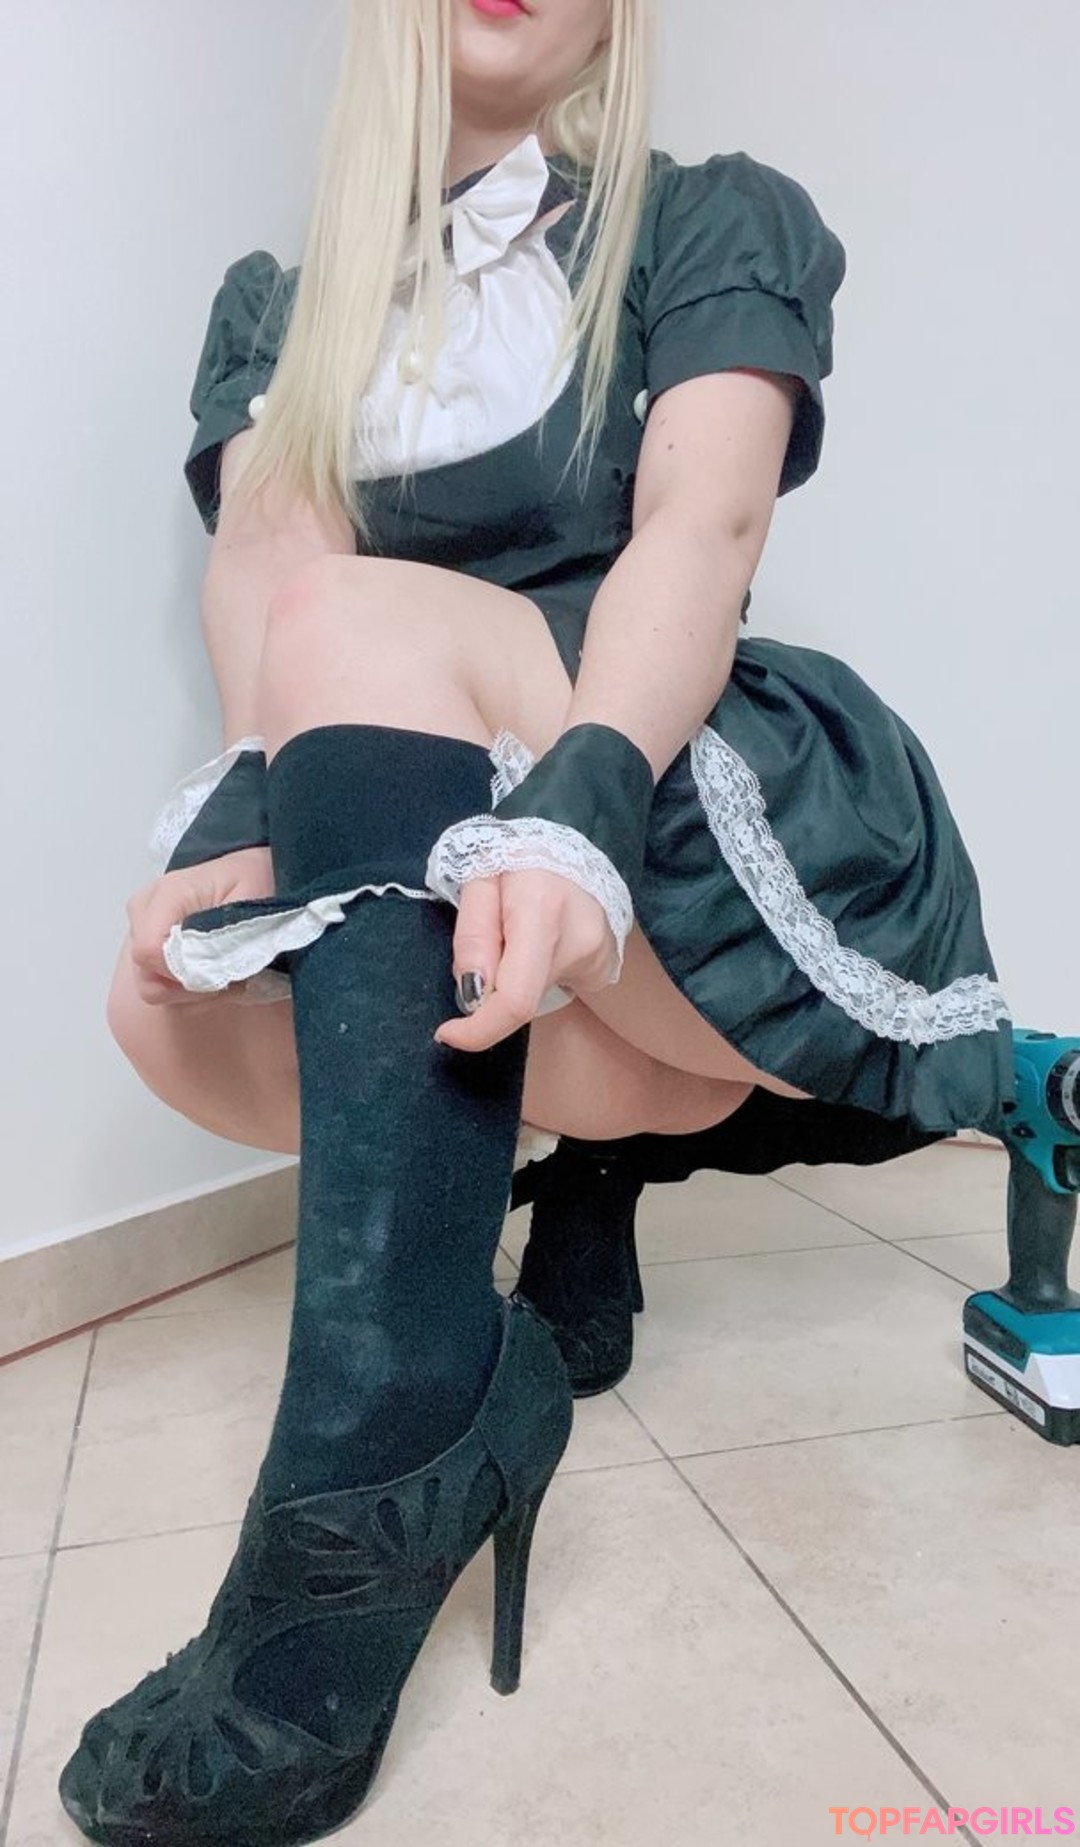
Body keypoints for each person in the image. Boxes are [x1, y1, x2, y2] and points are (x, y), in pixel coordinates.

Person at [59, 1, 1013, 1841]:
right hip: (459, 868)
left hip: (662, 786)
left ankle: (370, 1463)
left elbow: (696, 539)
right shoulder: (284, 309)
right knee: (155, 1008)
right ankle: (516, 1291)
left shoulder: (709, 217)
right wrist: (263, 833)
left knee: (356, 617)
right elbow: (264, 589)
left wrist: (571, 812)